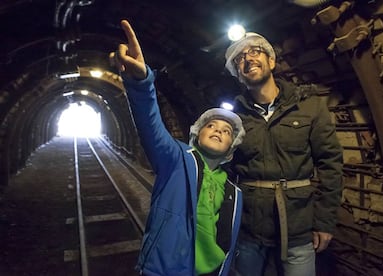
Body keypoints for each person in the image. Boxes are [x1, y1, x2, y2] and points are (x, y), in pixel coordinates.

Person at [110, 20, 246, 276]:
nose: (218, 130)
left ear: (230, 149)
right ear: (196, 134)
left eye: (226, 131)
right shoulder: (176, 159)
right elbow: (151, 125)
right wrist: (141, 83)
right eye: (211, 126)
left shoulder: (234, 193)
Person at [223, 32, 343, 275]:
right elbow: (221, 168)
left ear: (271, 61)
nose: (247, 59)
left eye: (254, 51)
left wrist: (325, 222)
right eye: (239, 59)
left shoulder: (309, 107)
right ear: (238, 75)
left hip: (298, 226)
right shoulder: (233, 118)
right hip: (249, 228)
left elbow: (331, 165)